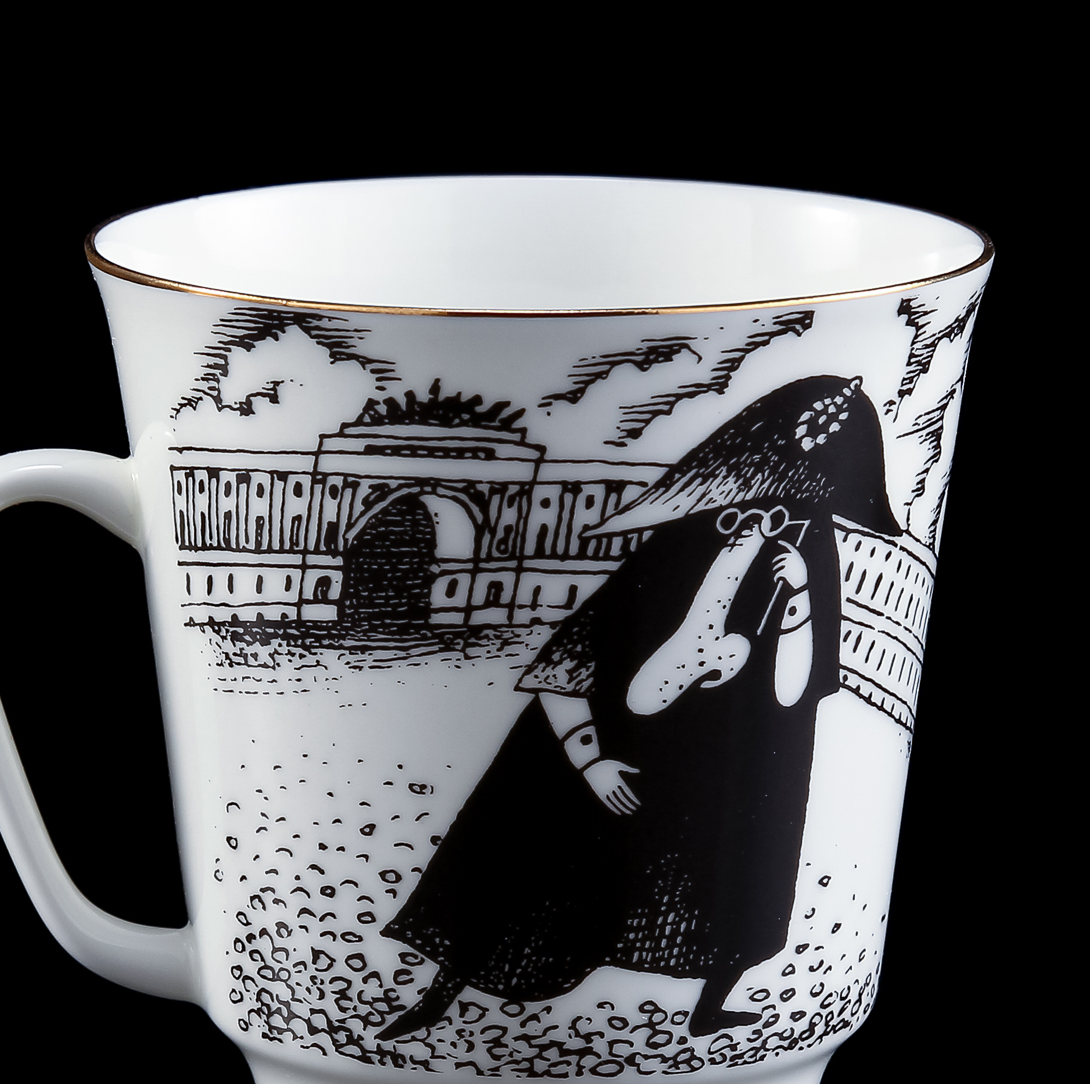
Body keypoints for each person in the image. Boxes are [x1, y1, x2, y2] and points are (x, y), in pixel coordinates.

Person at [381, 375, 901, 1040]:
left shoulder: (805, 549)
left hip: (714, 771)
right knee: (530, 867)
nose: (773, 522)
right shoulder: (686, 544)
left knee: (738, 867)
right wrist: (591, 760)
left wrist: (797, 598)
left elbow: (796, 692)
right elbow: (574, 659)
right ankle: (438, 998)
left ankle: (711, 1008)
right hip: (626, 750)